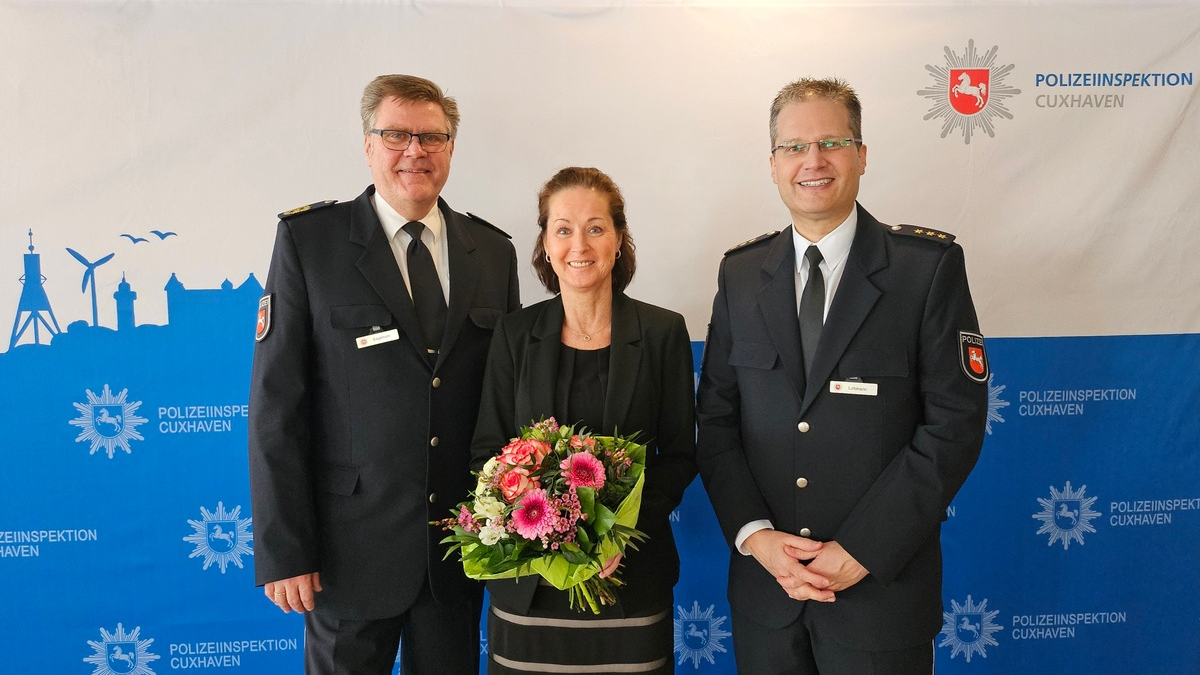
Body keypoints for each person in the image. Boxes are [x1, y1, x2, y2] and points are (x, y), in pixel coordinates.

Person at [695, 77, 989, 674]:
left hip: (880, 595)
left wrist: (864, 548)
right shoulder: (741, 275)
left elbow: (954, 424)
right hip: (767, 596)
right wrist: (756, 536)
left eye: (832, 141)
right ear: (773, 165)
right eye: (794, 147)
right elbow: (717, 422)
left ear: (862, 155)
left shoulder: (925, 270)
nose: (813, 160)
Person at [248, 74, 520, 675]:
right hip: (348, 554)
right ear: (367, 144)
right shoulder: (310, 241)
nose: (414, 151)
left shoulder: (492, 251)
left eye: (431, 137)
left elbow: (506, 401)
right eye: (396, 134)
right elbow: (276, 409)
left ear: (450, 147)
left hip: (460, 548)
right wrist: (284, 549)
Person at [471, 167, 696, 674]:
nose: (580, 243)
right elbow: (487, 451)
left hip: (630, 579)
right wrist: (542, 535)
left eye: (596, 227)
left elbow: (680, 456)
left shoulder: (662, 332)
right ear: (546, 246)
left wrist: (612, 535)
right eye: (564, 228)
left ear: (619, 240)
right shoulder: (513, 334)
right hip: (530, 582)